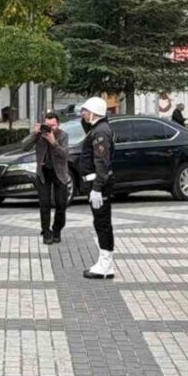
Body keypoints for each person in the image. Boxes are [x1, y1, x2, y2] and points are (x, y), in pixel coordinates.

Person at [79, 96, 115, 280]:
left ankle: (106, 263)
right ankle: (104, 261)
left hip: (99, 185)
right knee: (100, 222)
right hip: (96, 184)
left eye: (85, 111)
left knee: (102, 224)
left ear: (94, 112)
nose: (82, 114)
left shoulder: (100, 132)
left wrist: (97, 188)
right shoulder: (96, 129)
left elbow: (102, 162)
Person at [21, 111, 70, 245]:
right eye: (47, 125)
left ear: (58, 125)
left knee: (61, 204)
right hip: (43, 173)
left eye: (53, 125)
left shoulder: (63, 135)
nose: (50, 129)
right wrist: (35, 133)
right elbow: (24, 146)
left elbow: (65, 155)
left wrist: (54, 142)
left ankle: (57, 229)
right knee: (44, 204)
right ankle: (46, 232)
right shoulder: (40, 135)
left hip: (59, 173)